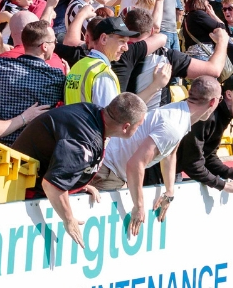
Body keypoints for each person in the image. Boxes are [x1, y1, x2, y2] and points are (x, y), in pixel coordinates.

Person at [11, 92, 147, 249]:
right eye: (139, 125)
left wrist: (77, 183)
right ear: (126, 127)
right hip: (20, 191)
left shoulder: (94, 112)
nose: (140, 129)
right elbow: (52, 185)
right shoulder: (86, 141)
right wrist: (69, 220)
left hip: (27, 178)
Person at [93, 76, 222, 235]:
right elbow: (135, 164)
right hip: (108, 171)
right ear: (213, 102)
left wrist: (169, 191)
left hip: (113, 170)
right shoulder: (174, 125)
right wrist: (139, 206)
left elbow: (169, 154)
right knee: (108, 235)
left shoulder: (179, 113)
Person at [177, 74, 233, 193]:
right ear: (229, 94)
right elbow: (192, 163)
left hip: (165, 167)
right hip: (153, 167)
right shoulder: (207, 113)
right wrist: (223, 185)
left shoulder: (222, 114)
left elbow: (208, 156)